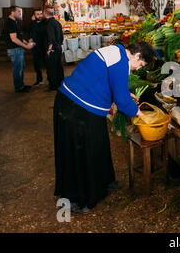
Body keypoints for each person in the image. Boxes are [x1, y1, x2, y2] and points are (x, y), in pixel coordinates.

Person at [54, 41, 156, 213]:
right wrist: (141, 114)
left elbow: (107, 79)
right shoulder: (121, 61)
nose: (138, 69)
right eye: (140, 64)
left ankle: (104, 182)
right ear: (137, 55)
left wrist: (125, 93)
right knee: (79, 152)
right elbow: (123, 102)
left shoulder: (118, 51)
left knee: (98, 143)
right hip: (75, 107)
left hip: (81, 105)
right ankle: (79, 198)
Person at [3, 5, 33, 93]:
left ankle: (21, 85)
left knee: (21, 67)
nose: (20, 13)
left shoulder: (14, 22)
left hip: (17, 49)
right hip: (14, 49)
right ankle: (19, 87)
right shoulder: (10, 23)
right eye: (18, 11)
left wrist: (26, 42)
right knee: (17, 69)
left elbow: (18, 37)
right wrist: (26, 46)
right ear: (13, 12)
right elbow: (14, 39)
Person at [44, 8, 64, 90]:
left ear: (45, 14)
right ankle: (60, 83)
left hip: (53, 48)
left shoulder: (49, 24)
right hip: (58, 47)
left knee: (52, 68)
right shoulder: (57, 22)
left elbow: (51, 38)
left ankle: (53, 85)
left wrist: (49, 49)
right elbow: (61, 37)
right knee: (58, 66)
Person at [27, 9, 47, 86]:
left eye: (41, 13)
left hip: (44, 46)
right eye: (37, 14)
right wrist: (29, 39)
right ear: (34, 15)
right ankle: (39, 80)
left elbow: (40, 31)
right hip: (35, 47)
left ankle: (50, 80)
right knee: (37, 65)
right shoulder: (32, 24)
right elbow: (29, 32)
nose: (39, 15)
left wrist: (34, 22)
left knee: (47, 64)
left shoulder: (45, 22)